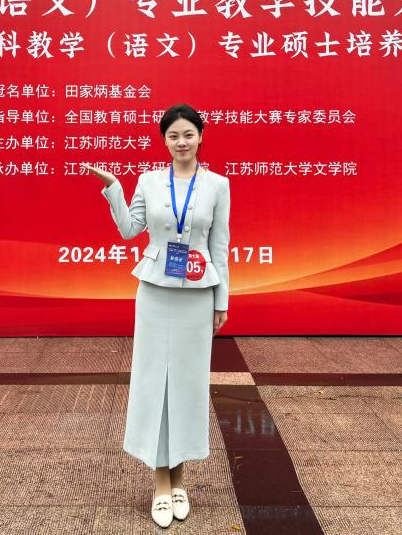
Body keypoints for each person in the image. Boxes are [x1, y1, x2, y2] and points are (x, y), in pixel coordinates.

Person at [80, 103, 230, 528]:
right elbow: (130, 229)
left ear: (200, 136)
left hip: (197, 295)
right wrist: (114, 187)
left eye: (188, 134)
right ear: (164, 140)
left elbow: (219, 245)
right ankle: (161, 484)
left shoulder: (218, 185)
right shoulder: (149, 181)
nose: (181, 142)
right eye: (173, 136)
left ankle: (180, 480)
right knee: (153, 384)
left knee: (187, 385)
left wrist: (222, 300)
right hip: (154, 293)